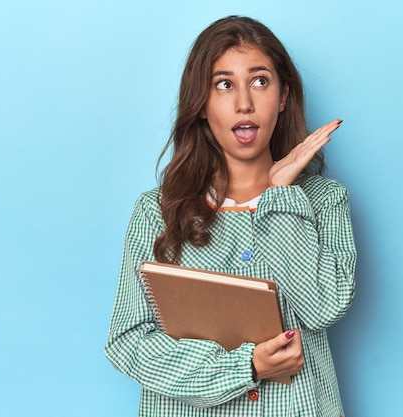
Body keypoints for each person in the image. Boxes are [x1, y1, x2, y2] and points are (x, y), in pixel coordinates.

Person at [105, 15, 357, 417]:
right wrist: (246, 366)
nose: (244, 102)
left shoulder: (324, 200)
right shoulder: (157, 211)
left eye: (259, 81)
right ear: (201, 104)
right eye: (224, 84)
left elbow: (323, 307)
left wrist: (280, 196)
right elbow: (129, 341)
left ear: (283, 96)